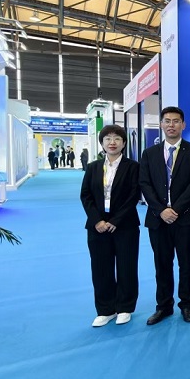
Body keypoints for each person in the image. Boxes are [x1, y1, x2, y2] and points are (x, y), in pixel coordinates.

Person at [139, 107, 190, 325]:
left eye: (176, 121)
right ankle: (164, 306)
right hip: (158, 219)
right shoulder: (149, 153)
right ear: (161, 124)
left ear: (183, 125)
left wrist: (175, 209)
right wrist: (161, 210)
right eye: (167, 121)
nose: (171, 125)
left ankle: (187, 304)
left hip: (184, 217)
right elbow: (145, 184)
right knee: (162, 264)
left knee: (187, 264)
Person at [79, 124, 141, 327]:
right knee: (100, 268)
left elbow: (134, 196)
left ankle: (124, 307)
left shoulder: (133, 167)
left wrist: (115, 221)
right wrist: (97, 220)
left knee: (126, 267)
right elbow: (86, 195)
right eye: (108, 139)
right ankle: (105, 310)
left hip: (125, 225)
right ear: (102, 143)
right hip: (97, 226)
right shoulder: (93, 167)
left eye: (117, 139)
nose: (112, 142)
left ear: (124, 143)